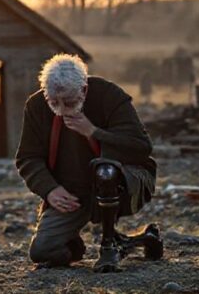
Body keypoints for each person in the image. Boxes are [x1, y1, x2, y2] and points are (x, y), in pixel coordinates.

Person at [15, 54, 158, 272]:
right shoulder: (36, 106)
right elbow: (28, 157)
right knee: (43, 251)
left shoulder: (109, 95)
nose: (62, 109)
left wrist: (93, 132)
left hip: (123, 181)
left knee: (105, 171)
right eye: (54, 103)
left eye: (69, 102)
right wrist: (50, 189)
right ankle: (84, 242)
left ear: (83, 89)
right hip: (72, 192)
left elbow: (141, 147)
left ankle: (110, 246)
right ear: (46, 94)